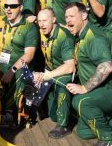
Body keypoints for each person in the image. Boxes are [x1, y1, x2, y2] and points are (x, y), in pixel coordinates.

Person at [65, 2, 112, 146]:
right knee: (83, 131)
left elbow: (107, 66)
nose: (68, 20)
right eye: (66, 17)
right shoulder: (81, 35)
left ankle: (110, 140)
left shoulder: (94, 37)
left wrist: (84, 88)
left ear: (84, 15)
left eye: (72, 16)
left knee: (80, 102)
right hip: (100, 90)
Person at [0, 0, 39, 126]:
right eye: (6, 6)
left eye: (13, 6)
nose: (8, 9)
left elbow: (28, 55)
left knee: (19, 73)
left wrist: (12, 70)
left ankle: (8, 111)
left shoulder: (29, 27)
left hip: (16, 64)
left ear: (21, 7)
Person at [35, 8, 75, 138]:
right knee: (53, 116)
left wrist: (46, 76)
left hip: (69, 73)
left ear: (53, 20)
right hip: (52, 70)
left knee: (62, 83)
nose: (41, 24)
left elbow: (69, 66)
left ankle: (64, 126)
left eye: (45, 21)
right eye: (39, 21)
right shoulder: (42, 32)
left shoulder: (64, 36)